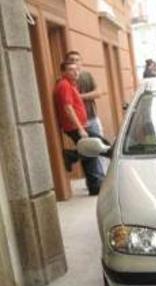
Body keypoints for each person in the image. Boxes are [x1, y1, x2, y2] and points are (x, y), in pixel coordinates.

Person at [53, 61, 104, 195]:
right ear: (63, 72)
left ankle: (95, 185)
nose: (75, 72)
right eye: (71, 70)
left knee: (90, 152)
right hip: (74, 127)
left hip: (80, 125)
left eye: (77, 69)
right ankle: (73, 156)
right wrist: (80, 128)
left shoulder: (70, 85)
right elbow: (68, 108)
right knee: (99, 146)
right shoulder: (64, 85)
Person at [65, 51, 106, 143]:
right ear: (67, 63)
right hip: (79, 123)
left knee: (101, 146)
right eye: (71, 60)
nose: (75, 62)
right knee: (89, 149)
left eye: (77, 60)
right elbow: (68, 106)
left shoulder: (87, 75)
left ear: (81, 62)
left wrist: (78, 97)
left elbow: (99, 93)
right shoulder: (66, 81)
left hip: (92, 117)